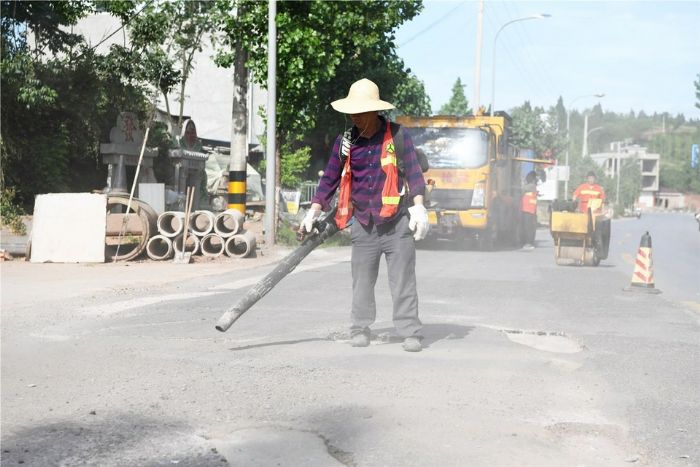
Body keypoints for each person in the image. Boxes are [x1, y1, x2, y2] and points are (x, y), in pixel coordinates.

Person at [299, 78, 429, 352]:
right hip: (364, 223)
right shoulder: (345, 142)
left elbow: (415, 172)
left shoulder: (397, 135)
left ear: (375, 111)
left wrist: (419, 207)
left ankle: (409, 331)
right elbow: (329, 180)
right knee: (361, 280)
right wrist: (313, 212)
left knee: (403, 279)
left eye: (360, 112)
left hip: (396, 223)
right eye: (352, 112)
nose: (354, 117)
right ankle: (360, 328)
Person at [520, 171, 538, 250]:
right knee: (529, 227)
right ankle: (529, 242)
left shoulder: (531, 186)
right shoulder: (532, 186)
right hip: (529, 210)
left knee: (528, 227)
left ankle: (529, 243)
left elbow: (522, 189)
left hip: (528, 210)